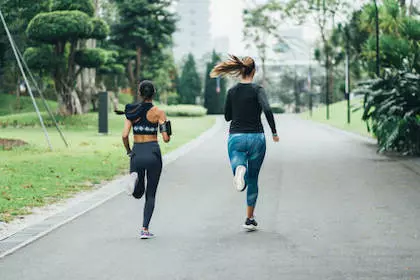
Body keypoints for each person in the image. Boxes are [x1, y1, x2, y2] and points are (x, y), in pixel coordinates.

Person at [210, 55, 279, 231]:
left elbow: (227, 117)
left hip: (237, 137)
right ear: (254, 71)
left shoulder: (232, 92)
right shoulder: (258, 89)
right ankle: (249, 218)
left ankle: (239, 169)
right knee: (253, 179)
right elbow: (267, 109)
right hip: (257, 137)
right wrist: (274, 132)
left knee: (238, 165)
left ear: (240, 71)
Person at [122, 80, 172, 239]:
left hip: (137, 152)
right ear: (154, 94)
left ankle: (134, 179)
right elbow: (166, 139)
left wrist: (129, 151)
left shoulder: (131, 111)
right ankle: (144, 229)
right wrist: (167, 129)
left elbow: (124, 135)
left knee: (138, 193)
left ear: (139, 93)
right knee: (150, 194)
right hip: (152, 152)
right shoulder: (159, 112)